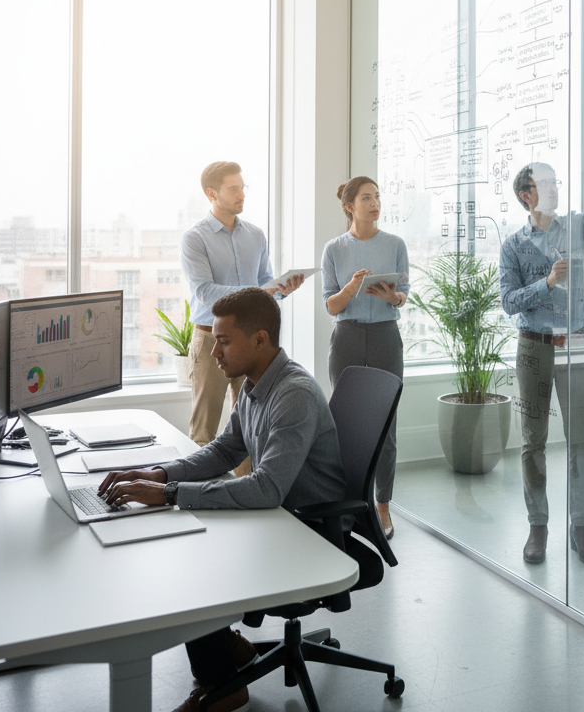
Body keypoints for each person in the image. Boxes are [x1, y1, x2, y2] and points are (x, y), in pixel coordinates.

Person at [98, 288, 346, 712]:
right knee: (182, 537)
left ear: (260, 340)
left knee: (192, 555)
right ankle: (227, 649)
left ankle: (222, 687)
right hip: (278, 518)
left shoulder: (294, 395)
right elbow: (224, 451)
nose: (214, 352)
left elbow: (267, 489)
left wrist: (170, 495)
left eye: (224, 341)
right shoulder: (253, 384)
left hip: (309, 530)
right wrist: (159, 475)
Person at [499, 141, 584, 566]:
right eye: (546, 183)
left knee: (580, 441)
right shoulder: (513, 245)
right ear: (527, 195)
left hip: (574, 343)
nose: (555, 188)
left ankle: (581, 527)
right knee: (532, 442)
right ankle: (538, 528)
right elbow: (508, 302)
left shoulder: (575, 227)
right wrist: (548, 284)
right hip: (532, 348)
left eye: (557, 182)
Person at [179, 161, 304, 467]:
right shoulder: (195, 238)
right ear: (212, 193)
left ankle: (247, 494)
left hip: (251, 342)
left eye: (242, 188)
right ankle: (197, 497)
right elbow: (205, 292)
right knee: (204, 429)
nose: (241, 195)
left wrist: (282, 288)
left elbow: (265, 283)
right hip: (212, 339)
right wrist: (258, 292)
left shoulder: (256, 235)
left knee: (251, 427)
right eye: (233, 189)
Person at [321, 176, 409, 541]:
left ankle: (383, 505)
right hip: (348, 338)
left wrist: (392, 297)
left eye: (377, 197)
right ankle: (346, 505)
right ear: (349, 206)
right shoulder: (334, 249)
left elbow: (404, 296)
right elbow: (330, 305)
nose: (374, 203)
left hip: (387, 336)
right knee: (345, 426)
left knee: (386, 428)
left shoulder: (395, 244)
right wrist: (351, 289)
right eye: (366, 198)